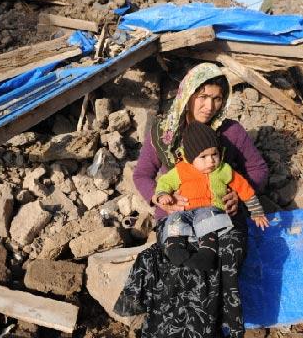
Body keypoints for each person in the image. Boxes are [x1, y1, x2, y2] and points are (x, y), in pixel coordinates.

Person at [114, 62, 269, 338]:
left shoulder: (231, 132)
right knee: (179, 265)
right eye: (203, 97)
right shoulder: (163, 131)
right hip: (177, 218)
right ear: (188, 94)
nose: (209, 106)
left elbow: (257, 170)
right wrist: (161, 198)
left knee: (219, 260)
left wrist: (239, 197)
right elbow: (143, 175)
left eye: (217, 98)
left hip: (221, 217)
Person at [156, 121, 269, 270]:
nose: (211, 161)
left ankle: (206, 254)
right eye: (203, 157)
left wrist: (256, 211)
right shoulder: (181, 170)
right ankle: (175, 249)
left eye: (214, 154)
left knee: (208, 220)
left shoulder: (223, 170)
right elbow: (165, 182)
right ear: (190, 158)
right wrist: (162, 195)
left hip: (210, 210)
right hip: (185, 211)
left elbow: (244, 188)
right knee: (174, 220)